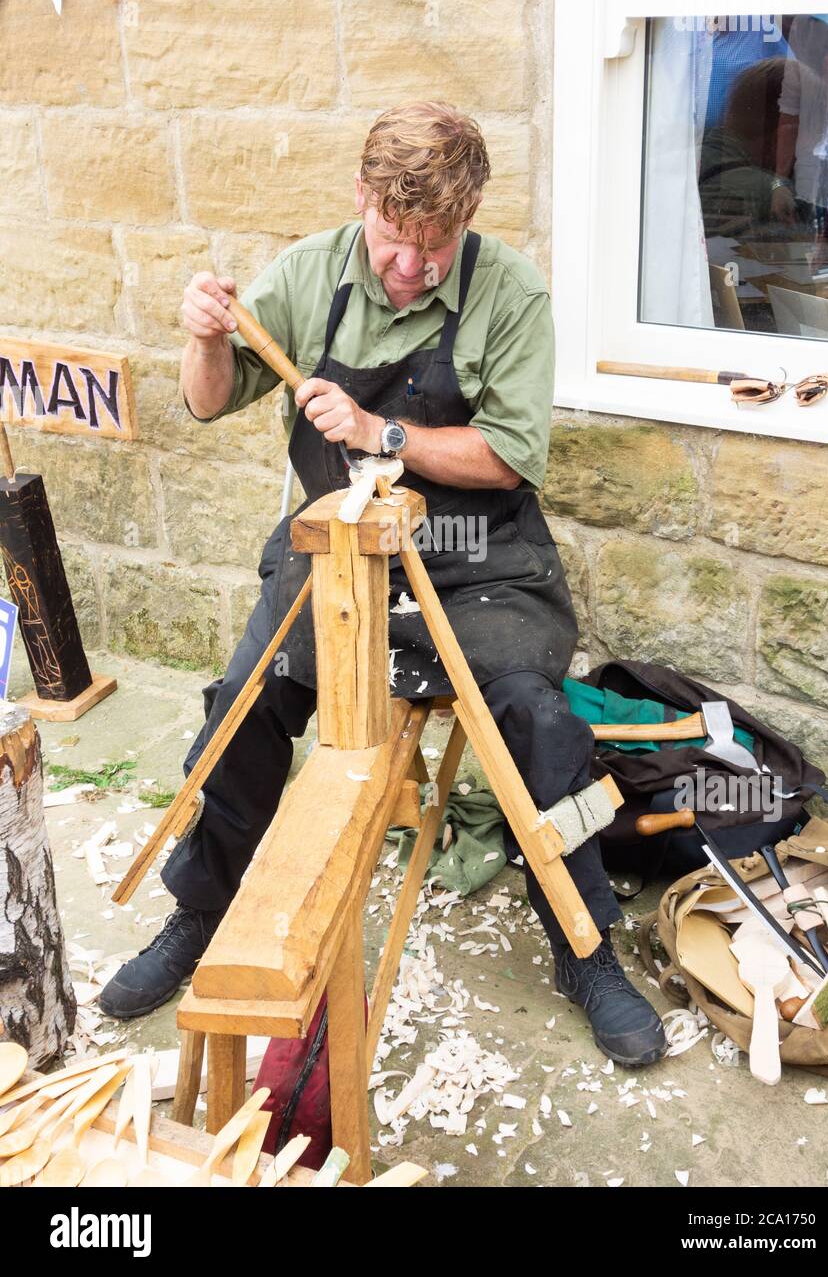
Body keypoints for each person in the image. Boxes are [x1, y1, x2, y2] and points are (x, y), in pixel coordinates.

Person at [99, 102, 665, 1067]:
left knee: (538, 716)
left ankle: (585, 943)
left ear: (470, 215)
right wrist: (201, 337)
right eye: (394, 241)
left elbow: (513, 458)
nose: (409, 267)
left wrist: (377, 431)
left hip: (472, 554)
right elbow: (206, 401)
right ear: (361, 199)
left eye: (433, 247)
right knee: (244, 701)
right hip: (341, 549)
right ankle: (202, 914)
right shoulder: (309, 273)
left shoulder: (511, 293)